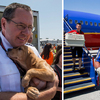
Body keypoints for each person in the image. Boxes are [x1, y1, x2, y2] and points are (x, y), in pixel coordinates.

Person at [0, 3, 59, 100]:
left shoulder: (31, 49)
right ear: (4, 24)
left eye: (30, 27)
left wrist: (51, 88)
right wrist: (46, 94)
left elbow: (53, 75)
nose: (27, 33)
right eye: (21, 25)